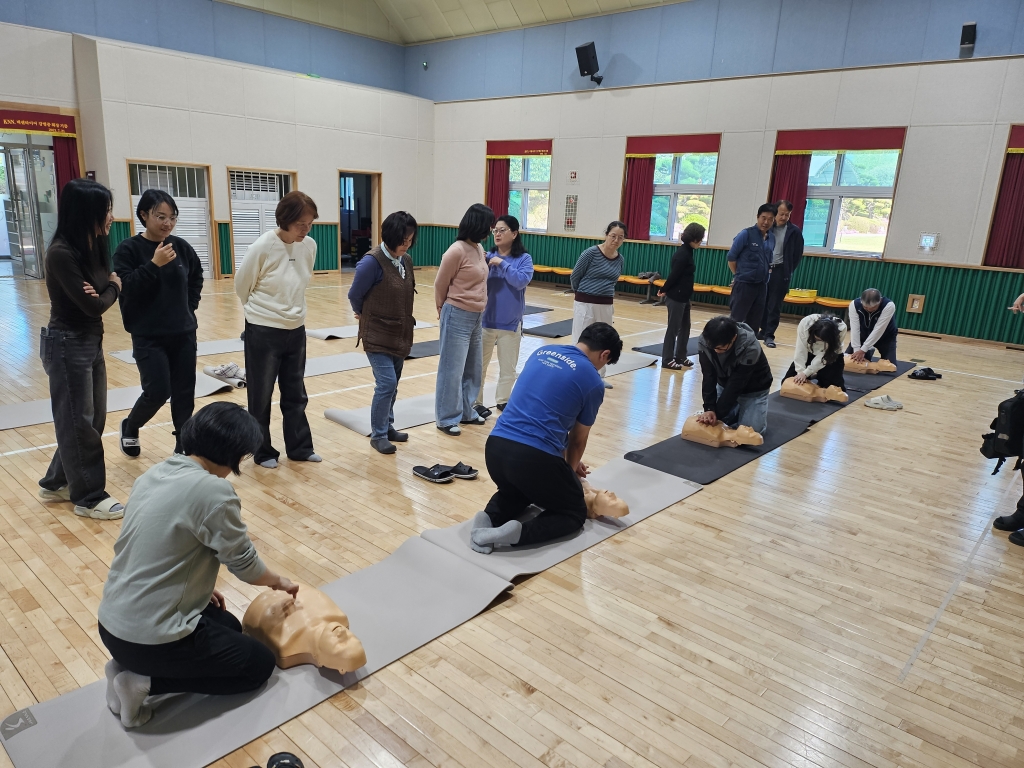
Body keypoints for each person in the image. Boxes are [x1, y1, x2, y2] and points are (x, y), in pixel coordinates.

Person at [97, 402, 299, 728]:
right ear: (235, 454)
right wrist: (280, 582)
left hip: (112, 626)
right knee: (258, 666)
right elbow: (245, 565)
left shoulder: (155, 473)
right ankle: (143, 682)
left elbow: (154, 547)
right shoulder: (214, 490)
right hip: (148, 640)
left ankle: (122, 667)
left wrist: (196, 587)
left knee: (229, 625)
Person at [470, 322, 623, 554]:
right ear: (605, 354)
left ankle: (489, 518)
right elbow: (578, 440)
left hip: (495, 449)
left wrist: (557, 469)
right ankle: (517, 534)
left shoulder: (542, 352)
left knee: (518, 491)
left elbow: (544, 414)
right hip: (532, 459)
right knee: (574, 512)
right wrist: (568, 475)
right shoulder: (593, 381)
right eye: (605, 363)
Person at [36, 178, 125, 520]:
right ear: (86, 213)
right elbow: (94, 305)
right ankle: (88, 496)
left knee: (91, 419)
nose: (111, 217)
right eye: (106, 210)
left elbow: (99, 295)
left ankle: (57, 481)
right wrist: (113, 287)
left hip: (91, 341)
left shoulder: (94, 245)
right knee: (78, 422)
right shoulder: (61, 253)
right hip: (66, 343)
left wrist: (104, 291)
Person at [114, 189, 204, 458]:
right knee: (157, 390)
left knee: (184, 391)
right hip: (148, 335)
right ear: (144, 215)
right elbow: (126, 287)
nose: (168, 223)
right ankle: (131, 426)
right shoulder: (128, 249)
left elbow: (196, 278)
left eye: (172, 217)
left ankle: (183, 441)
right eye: (161, 216)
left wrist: (188, 307)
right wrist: (154, 264)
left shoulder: (182, 247)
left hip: (183, 332)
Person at [235, 191, 321, 468]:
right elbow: (242, 286)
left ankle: (300, 448)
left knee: (296, 393)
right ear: (285, 220)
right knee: (260, 395)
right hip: (263, 328)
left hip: (296, 328)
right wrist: (261, 313)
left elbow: (300, 282)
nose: (305, 230)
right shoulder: (263, 246)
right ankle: (262, 451)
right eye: (300, 224)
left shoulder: (309, 246)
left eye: (309, 224)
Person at [348, 211, 418, 455]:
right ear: (389, 236)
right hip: (377, 333)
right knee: (386, 383)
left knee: (393, 384)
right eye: (402, 240)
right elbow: (354, 295)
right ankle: (378, 435)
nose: (406, 244)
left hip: (400, 333)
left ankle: (387, 426)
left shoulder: (406, 260)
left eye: (410, 240)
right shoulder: (371, 262)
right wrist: (362, 313)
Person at [434, 203, 493, 436]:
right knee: (452, 369)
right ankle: (446, 418)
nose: (489, 231)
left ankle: (467, 411)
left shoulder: (478, 248)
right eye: (487, 226)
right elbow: (440, 283)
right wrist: (441, 308)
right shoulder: (456, 250)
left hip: (477, 316)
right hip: (456, 314)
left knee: (473, 369)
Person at [473, 214, 534, 418]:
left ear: (514, 234)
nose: (497, 234)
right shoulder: (486, 256)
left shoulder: (524, 259)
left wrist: (502, 263)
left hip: (510, 323)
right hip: (485, 321)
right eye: (495, 231)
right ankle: (475, 402)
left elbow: (520, 281)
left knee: (508, 368)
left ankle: (503, 400)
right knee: (478, 367)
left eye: (502, 230)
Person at [570, 221, 626, 386]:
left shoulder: (620, 259)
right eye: (613, 236)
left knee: (604, 340)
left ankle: (598, 378)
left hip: (606, 304)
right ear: (606, 235)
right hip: (585, 303)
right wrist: (582, 294)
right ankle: (575, 375)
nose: (616, 240)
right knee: (581, 338)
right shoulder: (590, 253)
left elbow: (613, 281)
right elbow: (575, 276)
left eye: (620, 237)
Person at [696, 315, 773, 435]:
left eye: (721, 348)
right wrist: (709, 408)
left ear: (734, 338)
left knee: (751, 433)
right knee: (715, 421)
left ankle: (746, 408)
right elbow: (708, 375)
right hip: (724, 385)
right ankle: (736, 410)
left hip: (753, 390)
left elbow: (736, 384)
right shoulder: (706, 341)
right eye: (713, 348)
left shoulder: (751, 347)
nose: (716, 351)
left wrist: (718, 414)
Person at [758, 200, 804, 348]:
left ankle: (769, 335)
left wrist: (787, 269)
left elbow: (797, 254)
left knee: (774, 305)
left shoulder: (794, 231)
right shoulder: (766, 227)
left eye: (787, 215)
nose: (784, 217)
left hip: (780, 271)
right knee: (761, 302)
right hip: (763, 269)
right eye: (781, 214)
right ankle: (762, 330)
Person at [658, 222, 704, 370]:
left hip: (684, 297)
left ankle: (681, 356)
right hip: (676, 297)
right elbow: (674, 275)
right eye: (700, 239)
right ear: (694, 239)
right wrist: (664, 289)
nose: (701, 241)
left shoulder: (688, 251)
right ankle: (667, 359)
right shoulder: (682, 254)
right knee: (673, 329)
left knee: (685, 328)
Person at [727, 204, 776, 334]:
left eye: (770, 219)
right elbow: (731, 258)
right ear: (757, 217)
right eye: (763, 218)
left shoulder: (772, 238)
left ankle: (749, 346)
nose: (766, 222)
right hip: (744, 285)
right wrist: (738, 275)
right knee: (736, 321)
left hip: (762, 286)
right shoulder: (746, 234)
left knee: (754, 323)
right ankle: (730, 345)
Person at [782, 314, 847, 390]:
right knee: (787, 383)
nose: (819, 342)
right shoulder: (805, 324)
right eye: (817, 339)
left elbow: (826, 355)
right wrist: (801, 373)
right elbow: (801, 350)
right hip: (809, 352)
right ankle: (816, 374)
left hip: (831, 356)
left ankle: (819, 374)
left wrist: (807, 372)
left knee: (834, 388)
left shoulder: (841, 328)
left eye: (823, 341)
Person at [847, 288, 898, 365]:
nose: (869, 310)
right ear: (861, 301)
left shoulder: (889, 306)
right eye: (865, 307)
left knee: (890, 366)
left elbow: (878, 329)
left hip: (885, 337)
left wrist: (863, 349)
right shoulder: (854, 305)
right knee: (848, 361)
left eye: (873, 308)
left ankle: (869, 349)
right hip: (863, 335)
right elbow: (855, 328)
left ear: (880, 301)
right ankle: (869, 350)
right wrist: (857, 350)